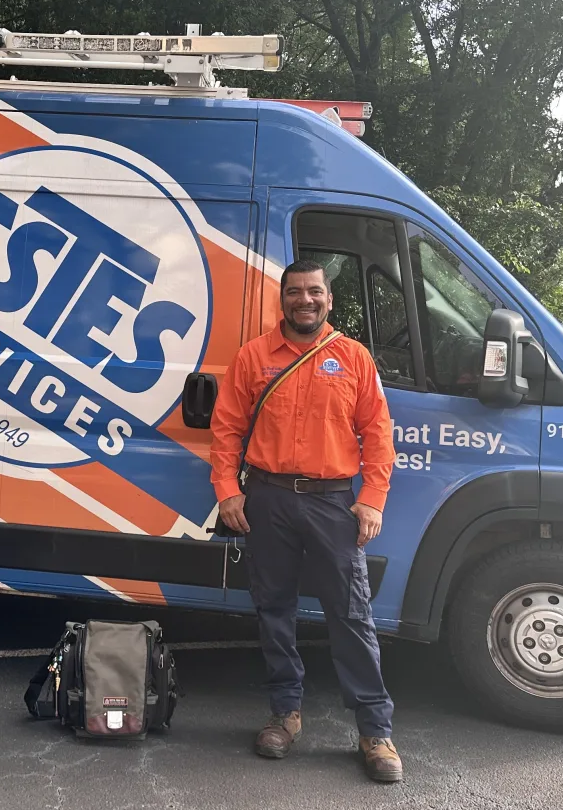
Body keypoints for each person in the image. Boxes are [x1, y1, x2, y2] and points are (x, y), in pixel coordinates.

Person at [209, 258, 401, 784]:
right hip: (267, 499)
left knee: (352, 613)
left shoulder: (353, 357)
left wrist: (374, 499)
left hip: (334, 503)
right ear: (283, 300)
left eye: (314, 291)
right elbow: (226, 429)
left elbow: (378, 434)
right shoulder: (254, 357)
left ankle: (374, 730)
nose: (305, 300)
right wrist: (228, 491)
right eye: (294, 292)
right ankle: (284, 714)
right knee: (274, 608)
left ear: (329, 299)